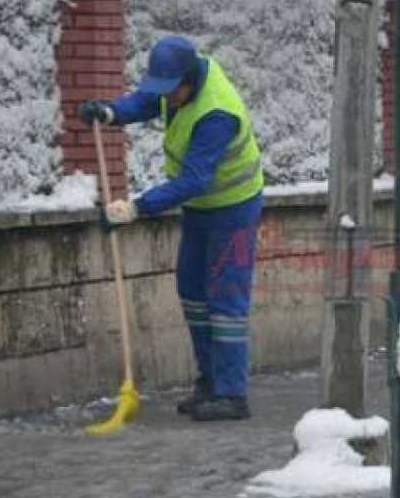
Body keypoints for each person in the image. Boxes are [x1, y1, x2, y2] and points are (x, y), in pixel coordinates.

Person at [78, 35, 263, 422]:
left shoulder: (217, 114)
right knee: (192, 291)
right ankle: (209, 383)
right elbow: (149, 101)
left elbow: (195, 178)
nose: (169, 98)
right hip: (201, 209)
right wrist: (112, 112)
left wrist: (137, 208)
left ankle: (232, 395)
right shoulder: (179, 82)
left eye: (172, 91)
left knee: (225, 299)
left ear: (189, 80)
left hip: (234, 209)